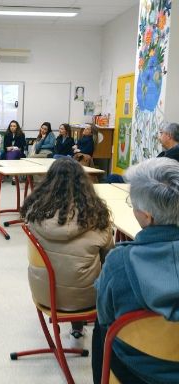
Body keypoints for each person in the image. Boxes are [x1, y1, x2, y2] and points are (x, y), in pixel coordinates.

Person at [93, 157, 179, 384]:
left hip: (136, 370)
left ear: (147, 217)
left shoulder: (118, 262)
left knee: (101, 324)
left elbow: (105, 317)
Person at [21, 157, 113, 348]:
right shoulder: (97, 215)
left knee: (63, 264)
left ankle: (74, 327)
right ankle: (82, 330)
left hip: (45, 292)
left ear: (49, 181)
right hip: (86, 298)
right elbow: (109, 260)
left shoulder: (34, 212)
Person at [107, 122, 179, 183]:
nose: (159, 138)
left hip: (149, 186)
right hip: (147, 182)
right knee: (114, 177)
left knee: (112, 178)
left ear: (169, 136)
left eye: (161, 133)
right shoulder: (170, 153)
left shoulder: (172, 156)